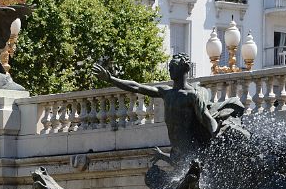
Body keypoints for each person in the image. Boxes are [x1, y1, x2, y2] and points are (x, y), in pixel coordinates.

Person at [92, 54, 248, 166]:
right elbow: (136, 86)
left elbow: (205, 117)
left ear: (183, 69)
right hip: (177, 150)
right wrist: (111, 79)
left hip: (191, 151)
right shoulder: (166, 92)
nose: (170, 70)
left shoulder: (192, 96)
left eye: (173, 67)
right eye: (170, 67)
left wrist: (215, 131)